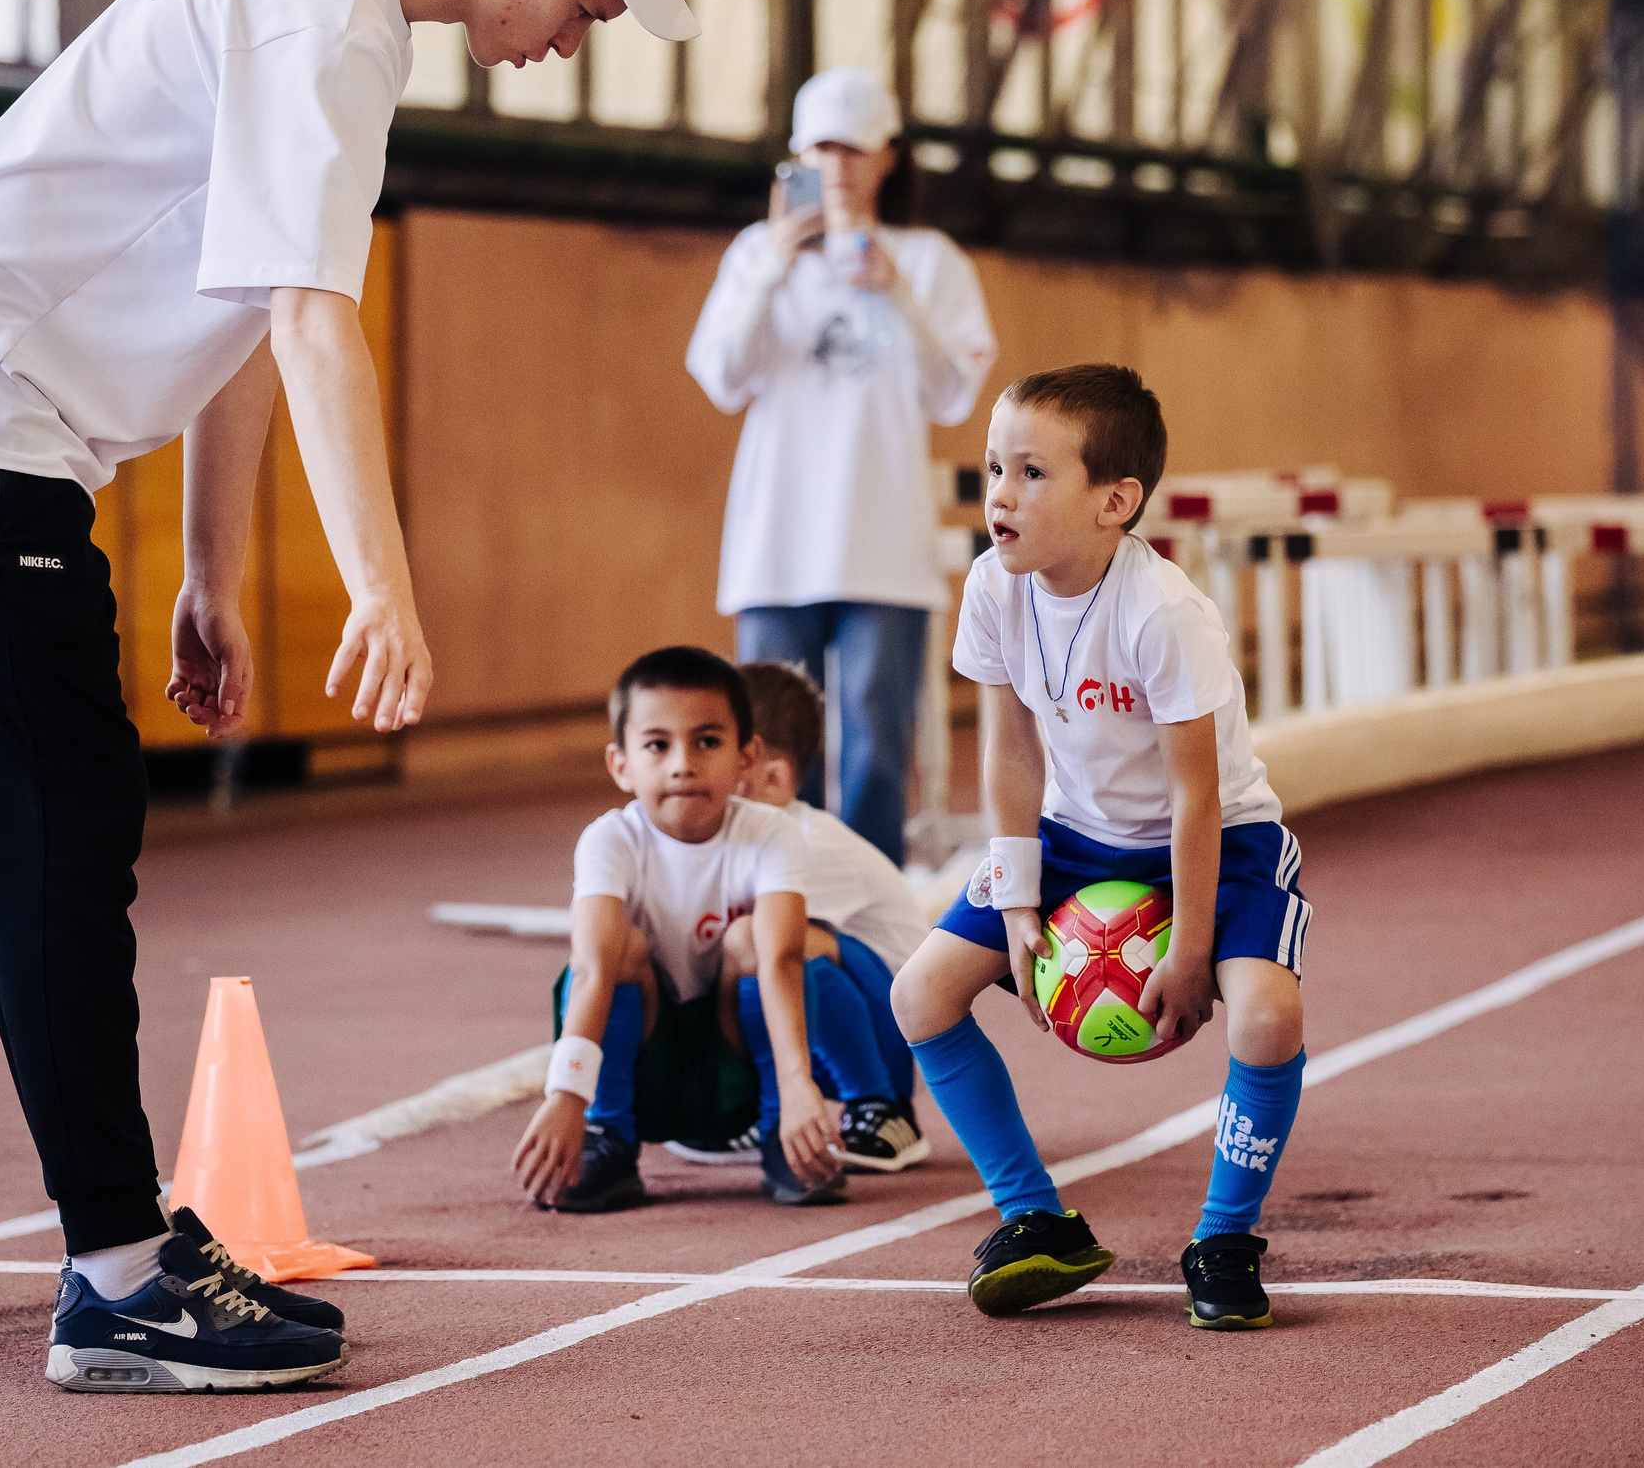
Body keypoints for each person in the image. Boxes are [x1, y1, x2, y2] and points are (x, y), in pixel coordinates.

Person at [0, 0, 699, 1392]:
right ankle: (117, 1275)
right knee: (60, 842)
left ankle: (124, 1245)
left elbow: (243, 304)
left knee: (76, 829)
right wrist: (382, 587)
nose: (574, 40)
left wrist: (214, 569)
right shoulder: (326, 3)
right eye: (587, 4)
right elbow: (308, 319)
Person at [887, 364, 1311, 1330]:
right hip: (1072, 838)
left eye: (1033, 473)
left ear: (1115, 502)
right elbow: (1008, 752)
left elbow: (1197, 796)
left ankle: (1226, 1238)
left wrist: (1192, 948)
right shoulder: (995, 590)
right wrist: (1022, 899)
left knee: (1267, 1020)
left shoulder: (1163, 613)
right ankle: (1036, 1219)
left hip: (1218, 840)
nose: (1001, 493)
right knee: (920, 994)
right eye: (994, 466)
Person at [685, 67, 997, 868]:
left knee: (874, 735)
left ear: (887, 156)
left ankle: (870, 902)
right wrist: (770, 271)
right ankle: (780, 892)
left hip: (883, 539)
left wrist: (900, 298)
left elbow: (956, 391)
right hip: (777, 538)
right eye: (820, 148)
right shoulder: (759, 253)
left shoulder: (928, 261)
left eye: (854, 148)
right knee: (774, 736)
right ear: (796, 155)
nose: (837, 165)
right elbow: (719, 374)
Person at [512, 647, 891, 1212]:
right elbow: (592, 968)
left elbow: (784, 959)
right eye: (657, 745)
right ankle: (608, 1138)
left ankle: (777, 1138)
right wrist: (567, 1093)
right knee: (621, 947)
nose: (682, 763)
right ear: (620, 764)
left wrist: (795, 1085)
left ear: (747, 757)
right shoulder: (609, 841)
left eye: (707, 741)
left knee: (751, 941)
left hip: (736, 1067)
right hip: (649, 1064)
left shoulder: (771, 834)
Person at [661, 661, 929, 1172]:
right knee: (739, 953)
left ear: (771, 777)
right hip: (843, 1021)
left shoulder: (808, 844)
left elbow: (779, 946)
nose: (693, 771)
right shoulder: (744, 843)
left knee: (766, 944)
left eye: (712, 751)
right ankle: (759, 1109)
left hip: (900, 1027)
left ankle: (881, 1107)